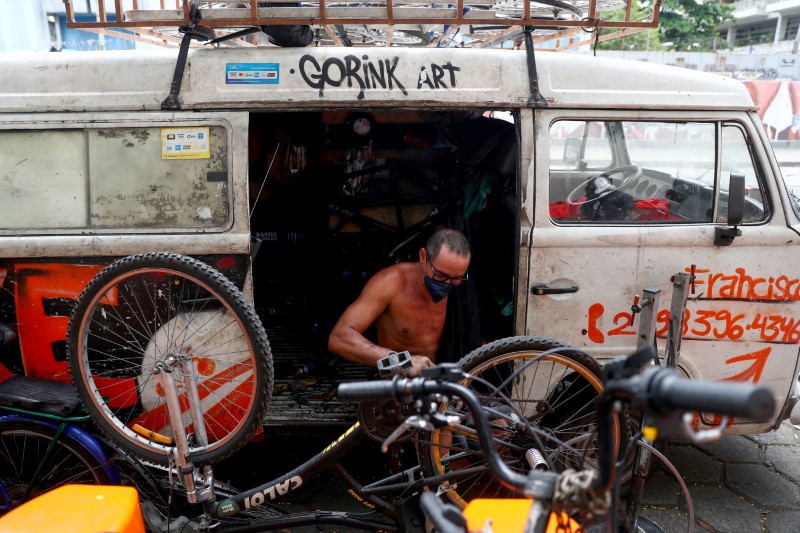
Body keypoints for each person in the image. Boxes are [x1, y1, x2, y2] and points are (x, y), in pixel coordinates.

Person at [328, 229, 471, 377]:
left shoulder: (465, 288)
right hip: (398, 384)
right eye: (440, 275)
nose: (448, 284)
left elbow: (481, 343)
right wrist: (402, 362)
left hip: (448, 382)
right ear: (423, 256)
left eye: (455, 279)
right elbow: (339, 338)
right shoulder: (390, 283)